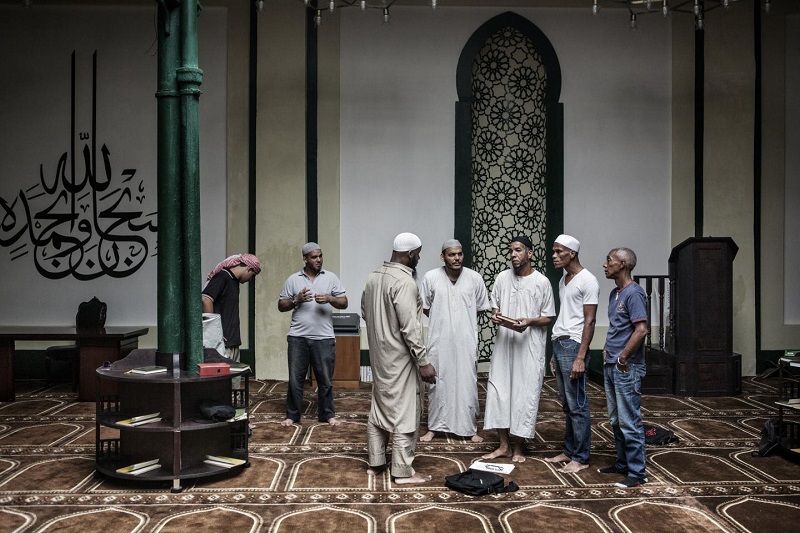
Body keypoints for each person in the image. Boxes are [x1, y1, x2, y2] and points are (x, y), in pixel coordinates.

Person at [361, 232, 437, 484]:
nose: (419, 258)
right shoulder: (405, 282)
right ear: (410, 254)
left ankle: (376, 462)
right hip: (402, 359)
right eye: (418, 253)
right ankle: (403, 472)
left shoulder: (374, 277)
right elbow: (410, 328)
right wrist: (423, 361)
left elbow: (364, 311)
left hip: (380, 357)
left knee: (379, 408)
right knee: (406, 412)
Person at [482, 236, 555, 463]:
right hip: (505, 346)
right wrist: (497, 316)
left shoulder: (542, 282)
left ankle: (519, 447)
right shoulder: (502, 278)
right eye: (511, 250)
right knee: (499, 392)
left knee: (525, 394)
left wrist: (530, 322)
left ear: (530, 254)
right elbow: (495, 307)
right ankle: (503, 445)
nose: (513, 254)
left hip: (529, 348)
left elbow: (548, 317)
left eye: (518, 250)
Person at [419, 239, 491, 443]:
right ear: (443, 257)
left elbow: (478, 307)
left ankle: (469, 428)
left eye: (459, 254)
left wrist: (460, 322)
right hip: (438, 340)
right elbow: (425, 306)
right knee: (437, 383)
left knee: (467, 383)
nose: (457, 258)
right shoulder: (431, 277)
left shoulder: (474, 278)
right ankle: (434, 427)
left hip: (466, 341)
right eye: (451, 254)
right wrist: (441, 320)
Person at [545, 234, 599, 474]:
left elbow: (590, 321)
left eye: (559, 252)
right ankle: (569, 450)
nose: (554, 256)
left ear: (572, 253)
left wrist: (580, 357)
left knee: (577, 404)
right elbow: (566, 315)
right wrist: (554, 353)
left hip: (574, 345)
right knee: (567, 404)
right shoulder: (564, 279)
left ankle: (581, 456)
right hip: (560, 344)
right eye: (554, 252)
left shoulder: (588, 280)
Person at [278, 242, 348, 427]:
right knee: (295, 379)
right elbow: (281, 306)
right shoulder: (293, 279)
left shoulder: (331, 278)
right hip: (297, 337)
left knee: (325, 379)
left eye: (320, 256)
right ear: (305, 259)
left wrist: (330, 299)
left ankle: (327, 415)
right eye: (314, 257)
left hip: (324, 338)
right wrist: (296, 300)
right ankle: (292, 415)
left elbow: (344, 302)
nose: (318, 260)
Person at [597, 247, 649, 488]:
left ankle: (637, 474)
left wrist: (623, 357)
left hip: (626, 367)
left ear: (623, 265)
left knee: (630, 420)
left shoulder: (634, 294)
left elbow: (641, 330)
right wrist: (609, 352)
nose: (605, 264)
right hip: (612, 364)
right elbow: (618, 328)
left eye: (609, 260)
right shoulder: (614, 294)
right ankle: (622, 463)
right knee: (616, 419)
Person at [201, 253, 262, 389]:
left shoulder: (233, 281)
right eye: (252, 276)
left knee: (234, 384)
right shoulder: (222, 277)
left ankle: (232, 410)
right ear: (248, 269)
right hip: (222, 343)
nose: (249, 280)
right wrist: (213, 329)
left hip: (231, 341)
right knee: (223, 386)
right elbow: (205, 298)